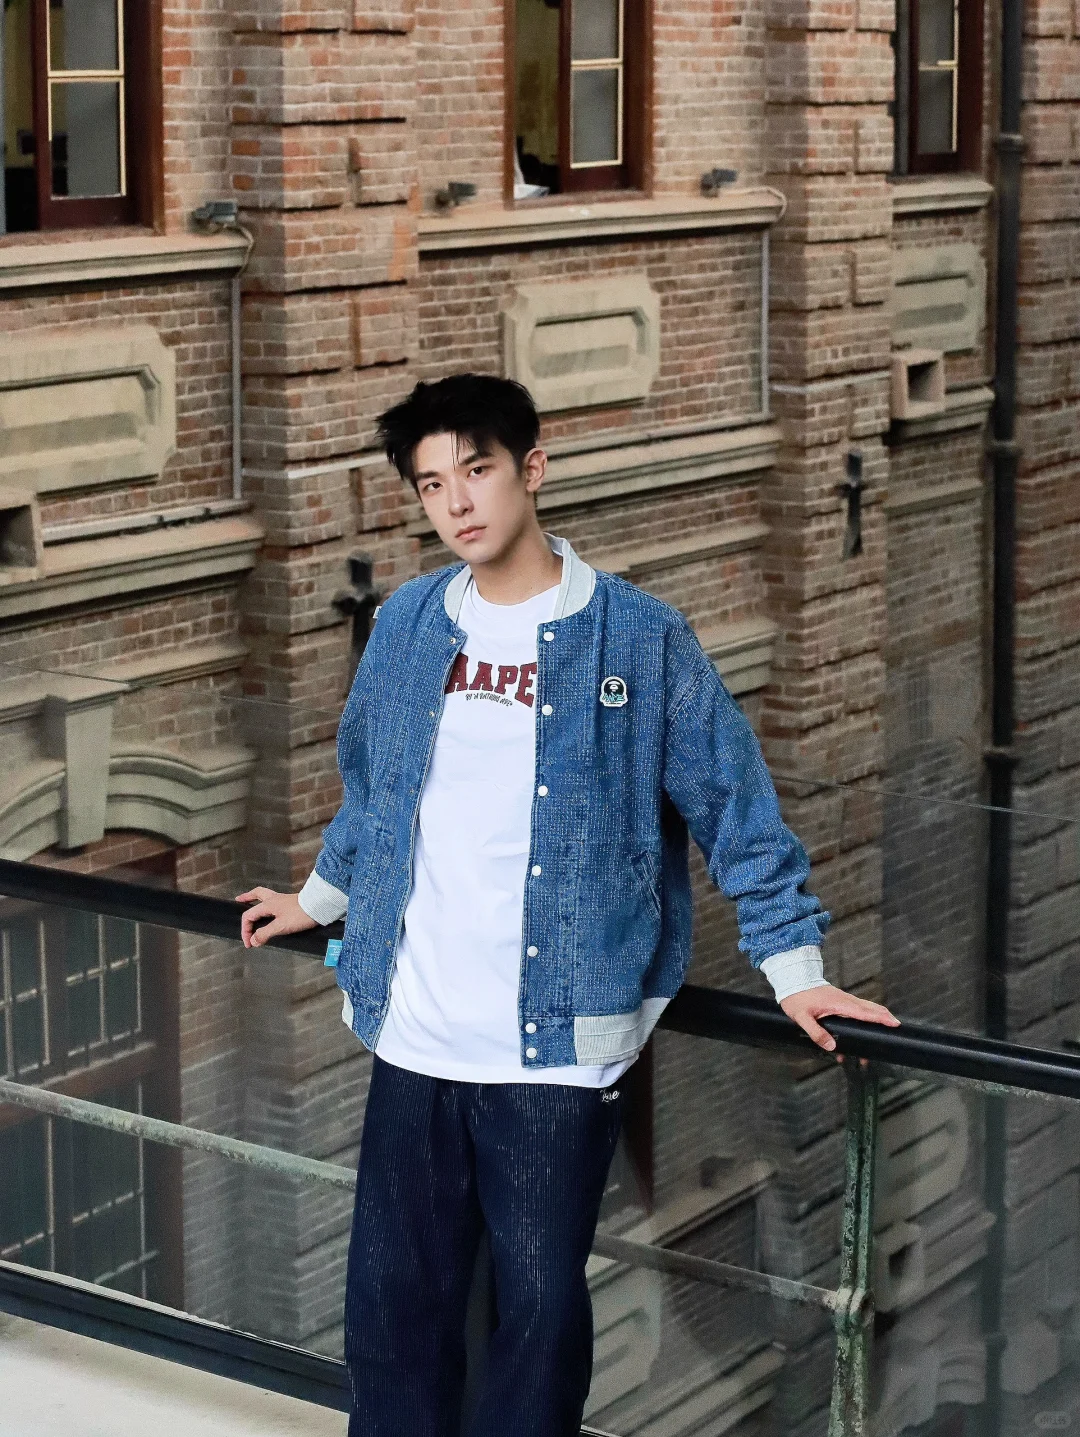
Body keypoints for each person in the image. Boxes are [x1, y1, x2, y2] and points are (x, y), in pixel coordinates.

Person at [237, 373, 899, 1437]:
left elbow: (736, 809)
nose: (457, 502)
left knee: (539, 1331)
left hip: (555, 1056)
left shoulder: (640, 638)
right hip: (414, 1038)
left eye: (478, 470)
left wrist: (797, 972)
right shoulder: (408, 624)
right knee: (392, 1320)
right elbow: (375, 790)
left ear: (532, 468)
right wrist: (319, 897)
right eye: (431, 484)